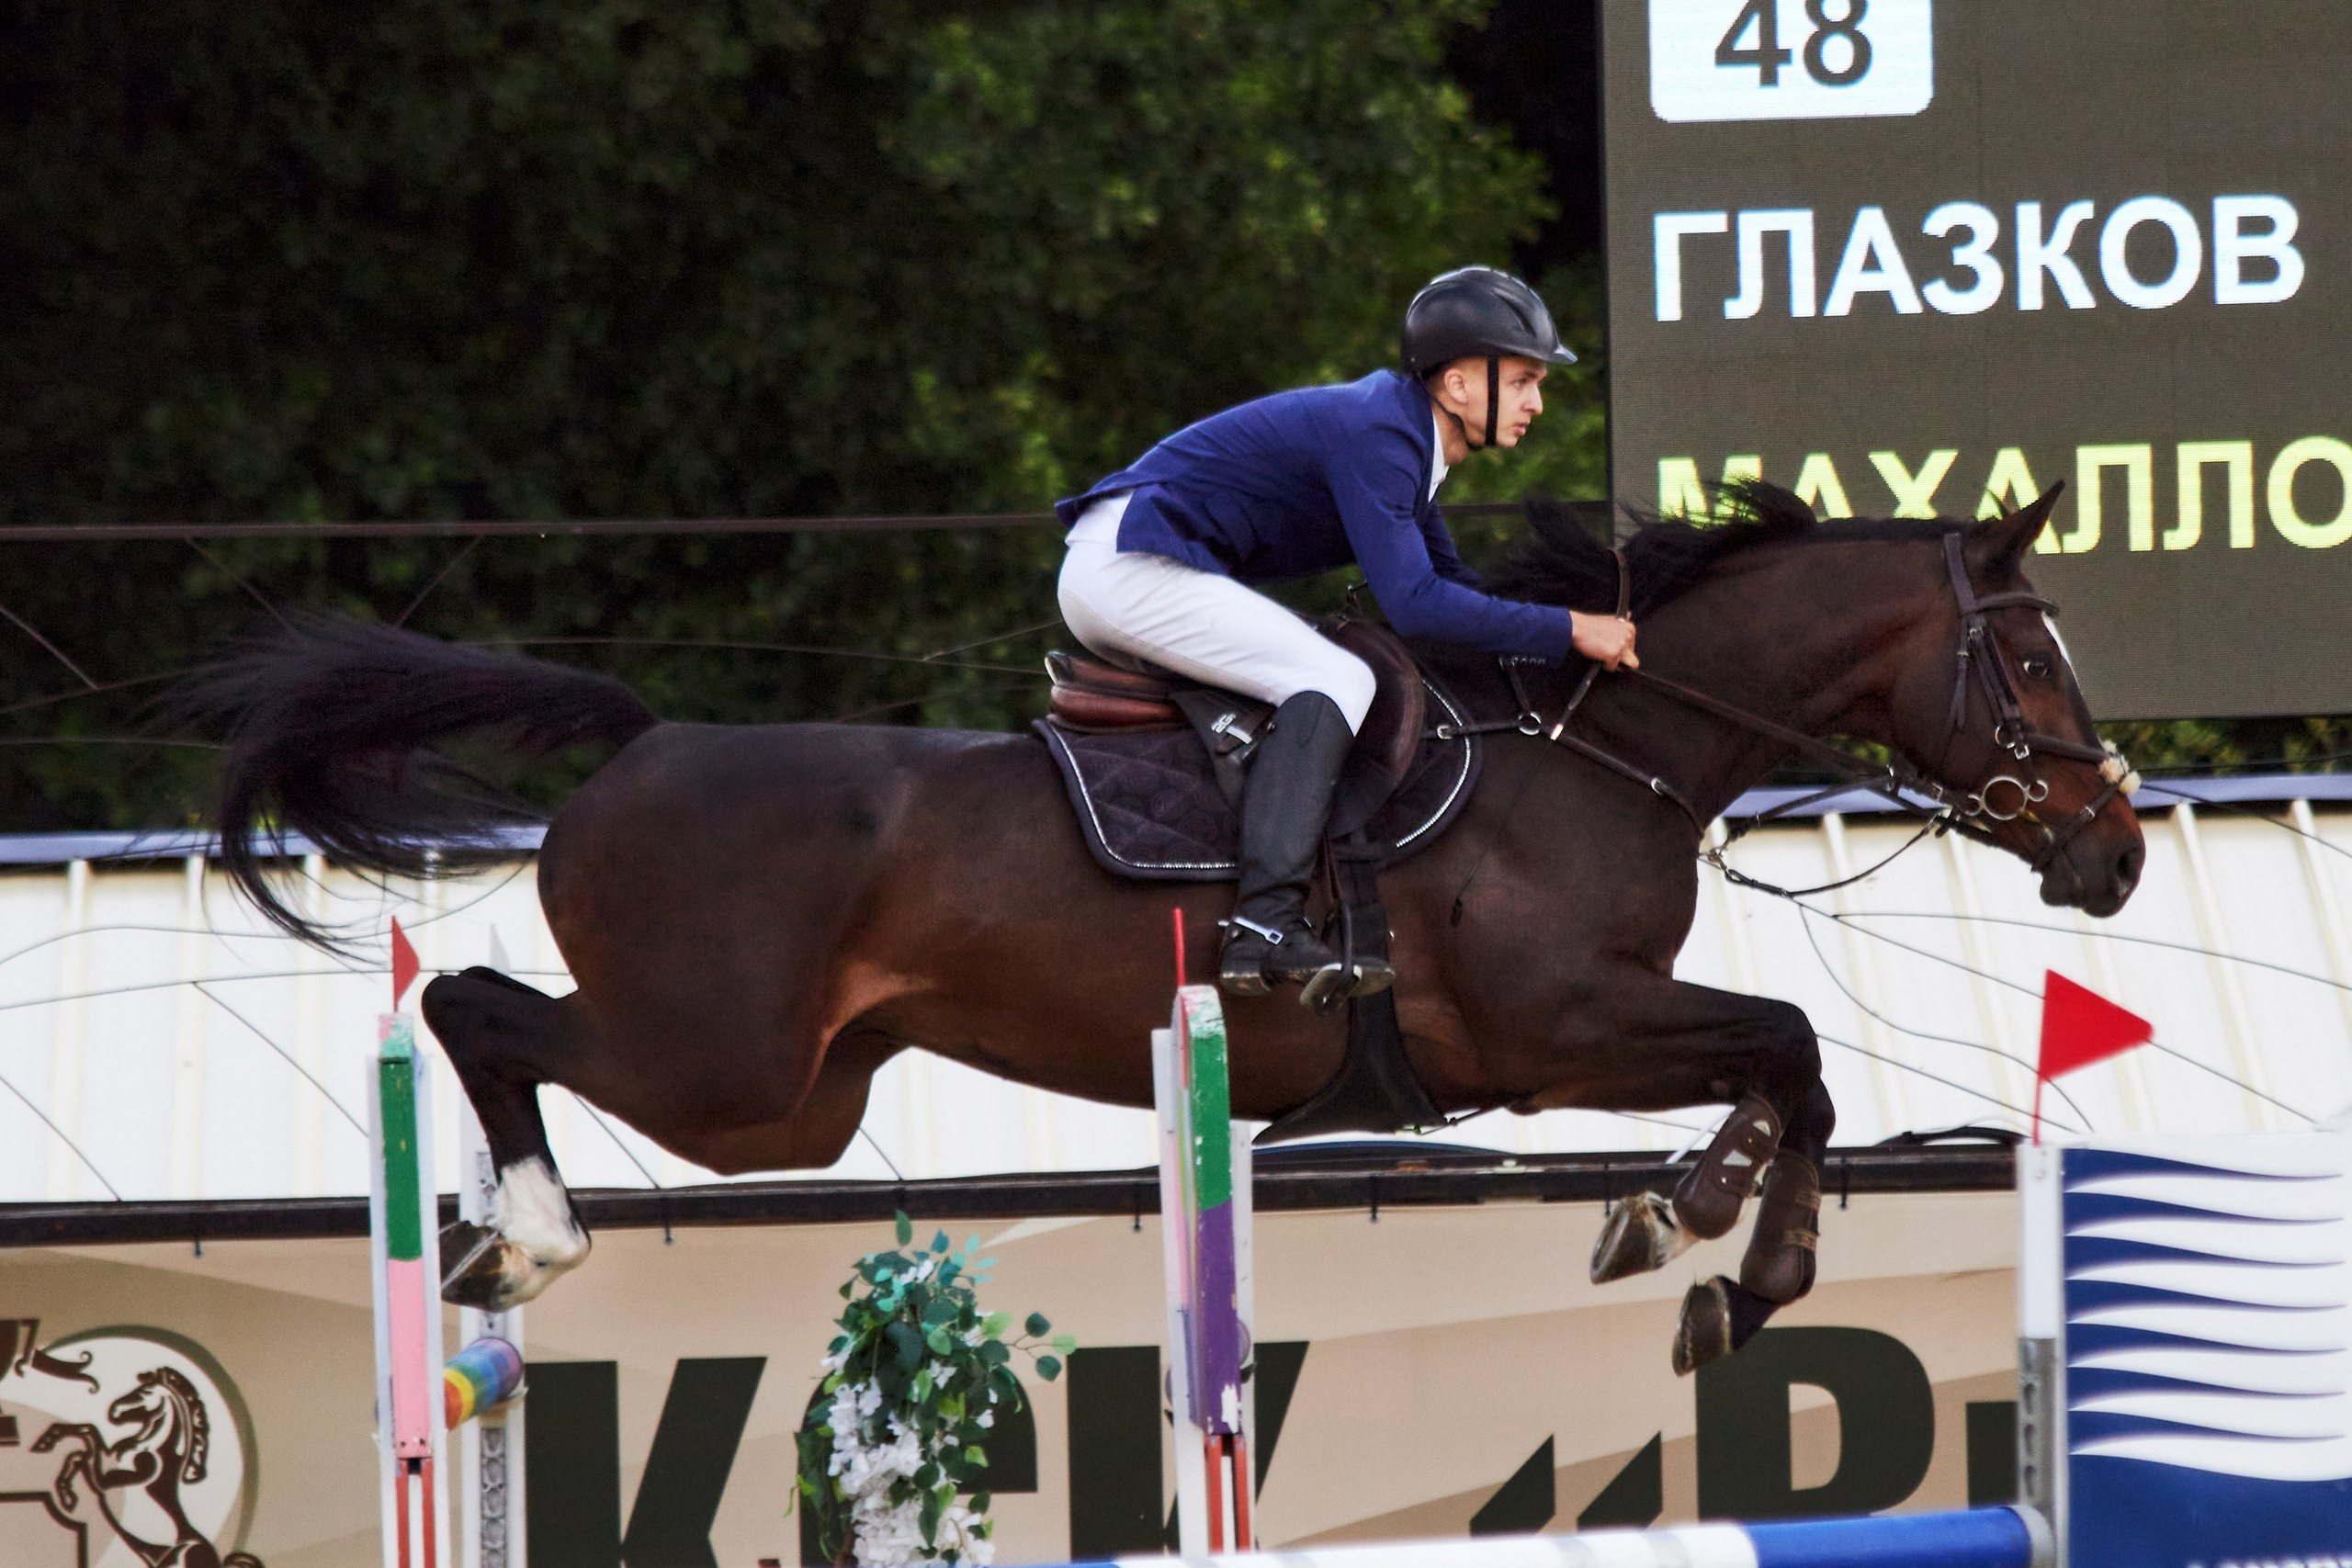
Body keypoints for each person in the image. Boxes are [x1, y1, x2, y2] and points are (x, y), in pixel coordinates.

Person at [1054, 266, 1640, 1004]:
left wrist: (1561, 631)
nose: (1537, 403)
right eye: (1524, 380)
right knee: (1337, 678)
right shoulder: (1383, 435)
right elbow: (1420, 607)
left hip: (1134, 565)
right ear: (1458, 384)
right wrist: (1568, 629)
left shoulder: (1408, 439)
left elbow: (1453, 589)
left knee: (1326, 673)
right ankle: (1263, 922)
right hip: (1130, 567)